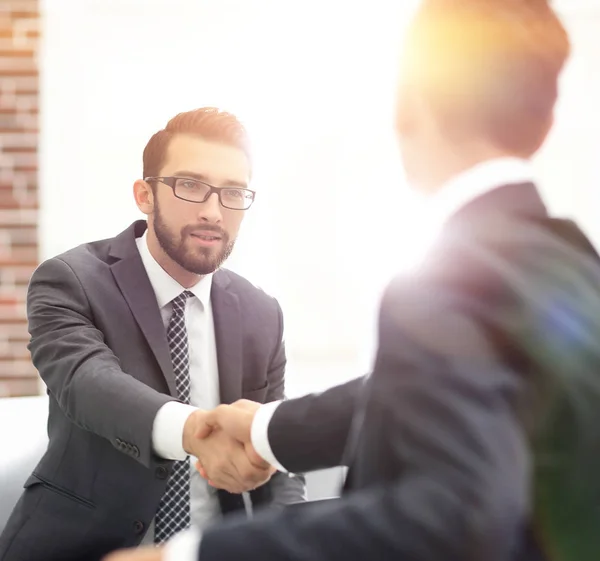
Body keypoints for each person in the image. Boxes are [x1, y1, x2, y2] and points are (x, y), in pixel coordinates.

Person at [106, 0, 600, 560]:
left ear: (410, 102)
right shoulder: (576, 265)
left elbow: (457, 514)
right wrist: (268, 427)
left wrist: (186, 556)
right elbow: (442, 390)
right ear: (544, 121)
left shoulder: (445, 281)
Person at [0, 107, 305, 561]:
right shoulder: (70, 279)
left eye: (233, 193)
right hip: (81, 547)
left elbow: (277, 451)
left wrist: (290, 541)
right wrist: (193, 429)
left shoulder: (262, 313)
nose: (212, 211)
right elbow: (88, 383)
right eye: (190, 186)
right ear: (145, 195)